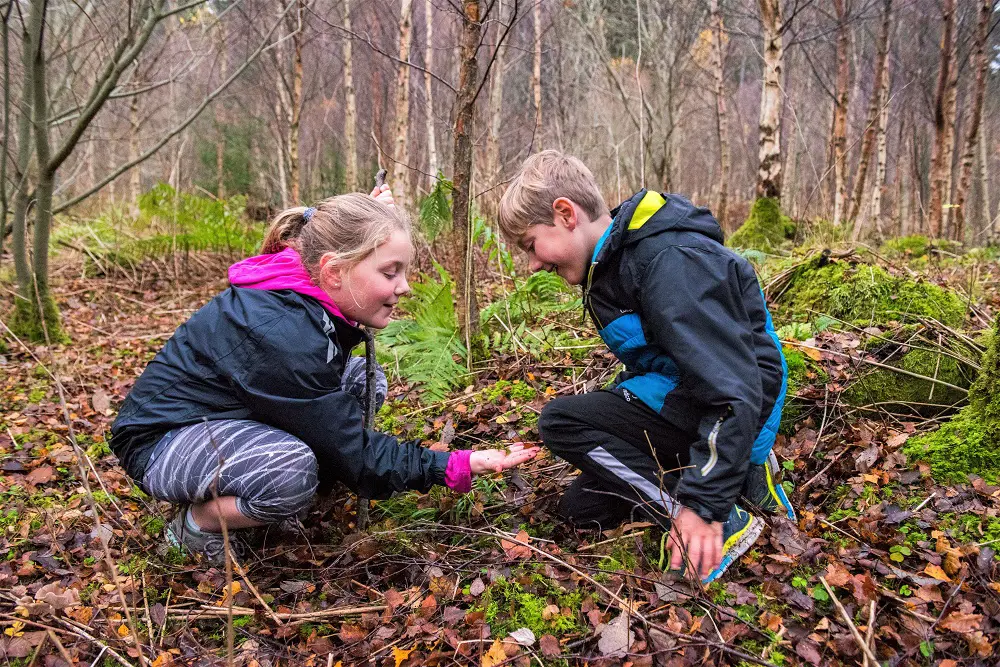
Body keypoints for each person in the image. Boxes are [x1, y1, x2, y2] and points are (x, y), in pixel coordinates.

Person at [110, 185, 538, 563]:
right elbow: (356, 449)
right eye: (390, 272)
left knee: (364, 378)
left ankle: (285, 492)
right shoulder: (281, 334)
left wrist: (366, 219)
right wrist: (456, 464)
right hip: (161, 441)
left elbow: (329, 240)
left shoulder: (303, 278)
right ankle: (197, 524)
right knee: (290, 470)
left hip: (229, 415)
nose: (404, 287)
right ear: (333, 271)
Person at [497, 151, 794, 583]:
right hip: (695, 399)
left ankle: (721, 516)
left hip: (738, 409)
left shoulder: (667, 261)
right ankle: (745, 480)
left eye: (531, 245)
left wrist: (701, 507)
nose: (534, 264)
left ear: (565, 214)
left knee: (561, 422)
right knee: (584, 509)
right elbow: (665, 358)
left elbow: (734, 388)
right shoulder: (614, 263)